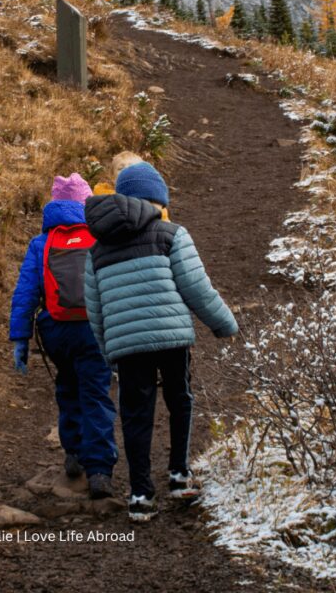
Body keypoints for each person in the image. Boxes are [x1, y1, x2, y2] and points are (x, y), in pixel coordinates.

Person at [83, 162, 238, 522]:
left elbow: (95, 310)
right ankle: (179, 475)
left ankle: (140, 494)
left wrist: (108, 352)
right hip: (172, 339)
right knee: (179, 399)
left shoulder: (97, 250)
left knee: (136, 416)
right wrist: (224, 324)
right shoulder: (171, 234)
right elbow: (197, 288)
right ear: (157, 200)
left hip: (127, 346)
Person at [9, 173, 118, 499]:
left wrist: (20, 339)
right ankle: (99, 471)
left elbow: (25, 293)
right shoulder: (99, 238)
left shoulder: (41, 243)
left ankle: (73, 455)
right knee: (96, 394)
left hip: (55, 330)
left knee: (68, 386)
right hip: (93, 328)